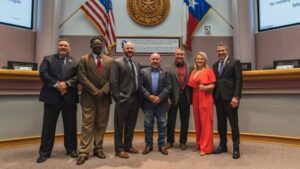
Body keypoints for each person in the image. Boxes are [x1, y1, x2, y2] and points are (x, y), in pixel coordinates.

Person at [37, 38, 79, 163]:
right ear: (57, 47)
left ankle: (71, 149)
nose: (63, 47)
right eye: (61, 45)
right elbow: (43, 73)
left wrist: (67, 84)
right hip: (51, 97)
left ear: (69, 48)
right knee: (48, 127)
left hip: (69, 97)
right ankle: (44, 152)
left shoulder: (76, 62)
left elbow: (79, 76)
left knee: (71, 126)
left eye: (66, 45)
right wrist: (57, 85)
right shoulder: (48, 59)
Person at [76, 37, 112, 165]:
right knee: (87, 125)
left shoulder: (109, 60)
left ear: (103, 45)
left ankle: (98, 148)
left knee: (101, 124)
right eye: (95, 44)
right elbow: (82, 77)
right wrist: (95, 91)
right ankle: (84, 152)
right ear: (91, 46)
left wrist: (103, 91)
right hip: (89, 97)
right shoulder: (84, 59)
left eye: (100, 44)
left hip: (104, 97)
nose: (98, 45)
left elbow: (112, 79)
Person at [109, 41, 140, 158]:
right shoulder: (117, 63)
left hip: (135, 99)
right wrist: (118, 97)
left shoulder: (136, 64)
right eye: (128, 48)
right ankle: (119, 149)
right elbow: (113, 82)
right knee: (119, 126)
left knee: (131, 125)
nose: (130, 50)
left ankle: (128, 146)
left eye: (132, 48)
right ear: (123, 50)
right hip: (123, 99)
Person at [212, 43, 243, 159]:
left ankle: (236, 148)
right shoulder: (215, 65)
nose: (220, 52)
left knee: (233, 124)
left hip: (231, 99)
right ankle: (223, 145)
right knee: (221, 124)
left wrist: (236, 97)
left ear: (227, 50)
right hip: (218, 98)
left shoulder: (235, 62)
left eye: (222, 50)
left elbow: (239, 80)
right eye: (218, 51)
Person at [139, 52, 171, 155]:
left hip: (161, 103)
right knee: (148, 125)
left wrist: (160, 97)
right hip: (148, 103)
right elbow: (140, 86)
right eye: (153, 59)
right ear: (150, 60)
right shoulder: (143, 72)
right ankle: (149, 145)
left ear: (160, 60)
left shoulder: (166, 72)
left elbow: (168, 87)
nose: (155, 61)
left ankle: (161, 145)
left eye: (157, 59)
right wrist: (149, 96)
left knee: (162, 125)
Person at [188, 52, 216, 156]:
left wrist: (205, 87)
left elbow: (213, 85)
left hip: (205, 96)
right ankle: (200, 143)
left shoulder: (208, 71)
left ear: (205, 60)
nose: (199, 60)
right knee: (198, 122)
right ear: (195, 60)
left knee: (206, 122)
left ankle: (206, 147)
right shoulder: (193, 71)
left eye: (201, 59)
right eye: (198, 58)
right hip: (195, 97)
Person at [165, 48, 193, 150]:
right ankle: (170, 141)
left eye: (181, 54)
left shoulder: (190, 67)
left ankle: (183, 142)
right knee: (171, 120)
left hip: (186, 97)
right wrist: (167, 98)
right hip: (172, 98)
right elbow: (166, 84)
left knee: (185, 121)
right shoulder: (168, 68)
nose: (179, 56)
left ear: (184, 56)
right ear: (174, 55)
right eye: (178, 54)